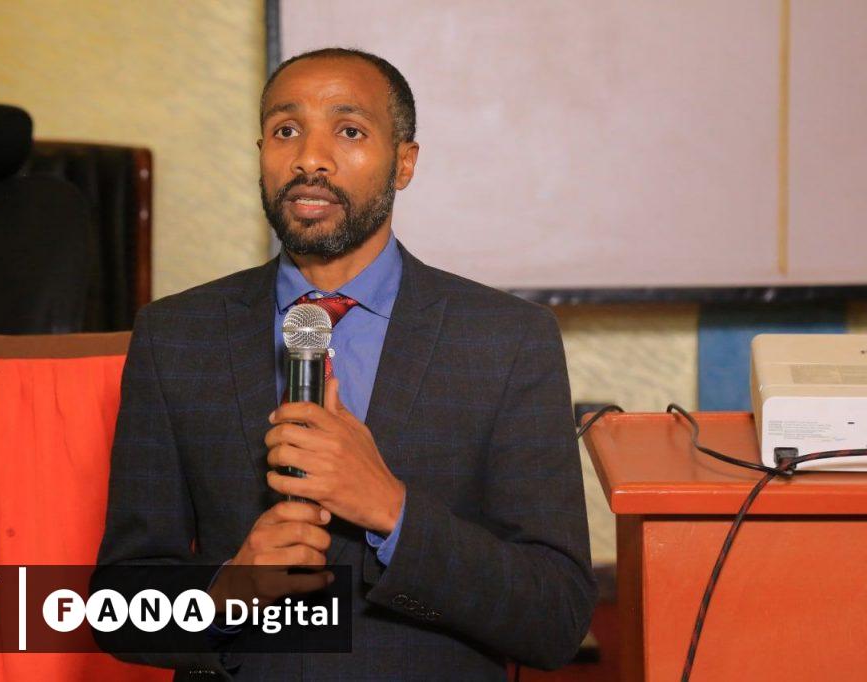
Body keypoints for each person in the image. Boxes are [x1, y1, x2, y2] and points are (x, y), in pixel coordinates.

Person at [97, 47, 596, 681]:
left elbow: (556, 616)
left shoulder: (506, 340)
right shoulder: (175, 336)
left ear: (404, 163)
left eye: (349, 131)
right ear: (261, 153)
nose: (310, 159)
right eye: (286, 131)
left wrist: (392, 510)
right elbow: (116, 608)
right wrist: (225, 592)